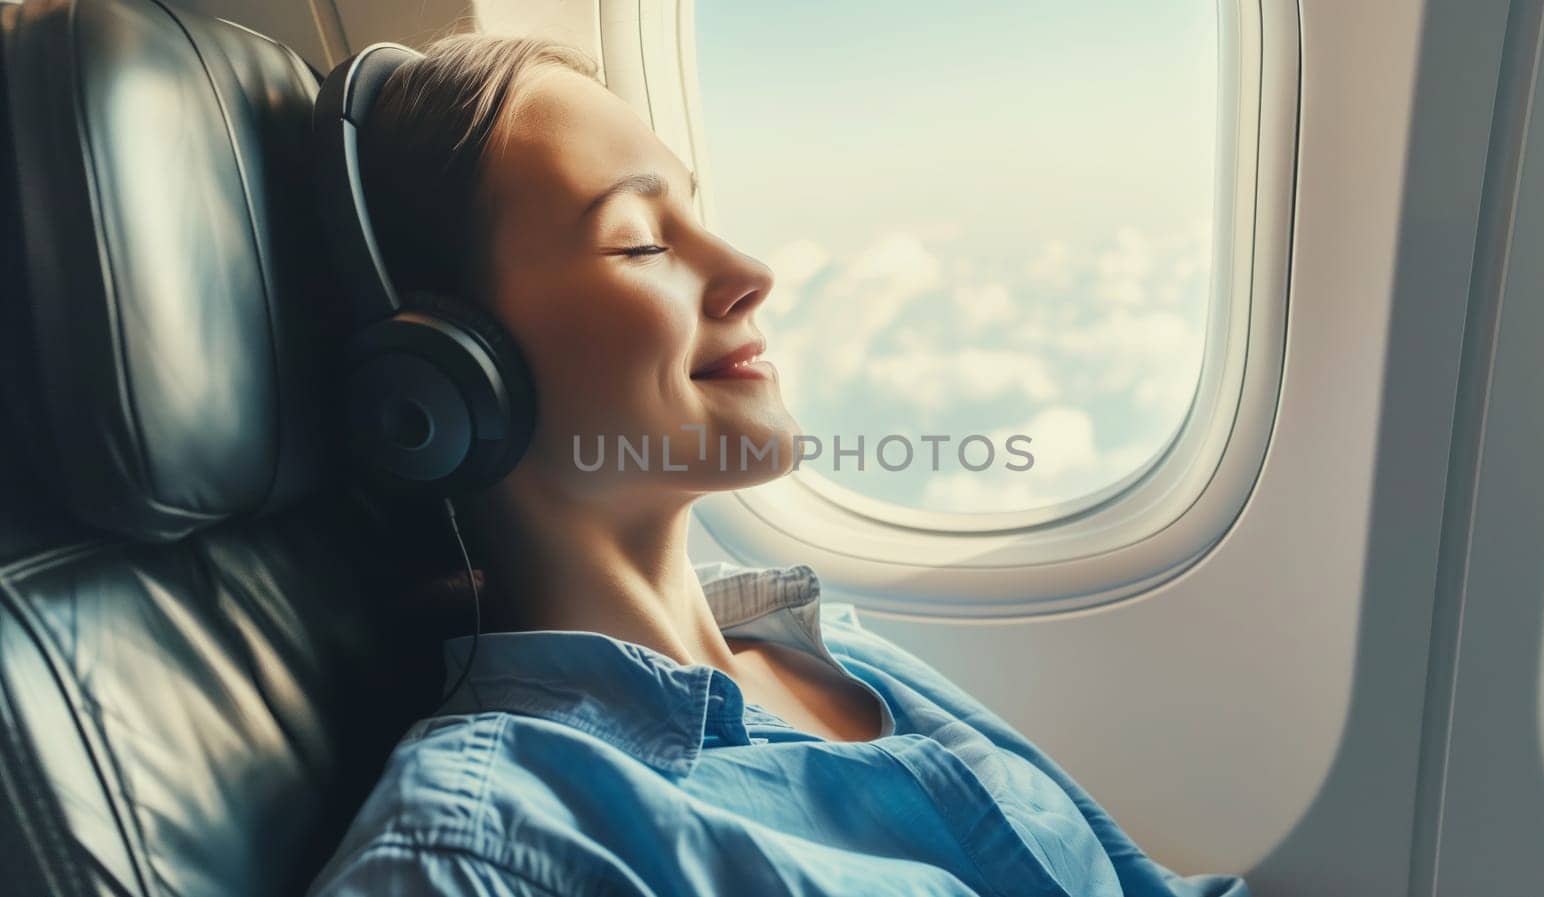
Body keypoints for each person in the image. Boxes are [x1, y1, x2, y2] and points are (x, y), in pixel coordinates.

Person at [305, 33, 1251, 897]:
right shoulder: (476, 850)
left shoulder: (832, 649)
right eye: (640, 239)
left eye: (697, 211)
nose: (749, 270)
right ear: (445, 382)